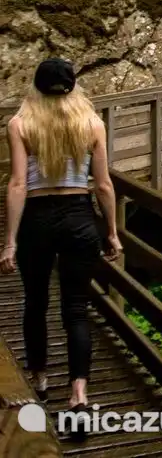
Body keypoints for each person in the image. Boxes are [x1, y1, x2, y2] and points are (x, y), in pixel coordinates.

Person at [0, 58, 122, 415]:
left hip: (37, 220)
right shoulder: (92, 124)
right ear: (74, 87)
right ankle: (79, 395)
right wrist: (112, 232)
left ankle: (40, 379)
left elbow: (19, 183)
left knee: (35, 303)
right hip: (79, 218)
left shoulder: (19, 124)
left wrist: (10, 241)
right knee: (76, 309)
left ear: (35, 87)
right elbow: (102, 184)